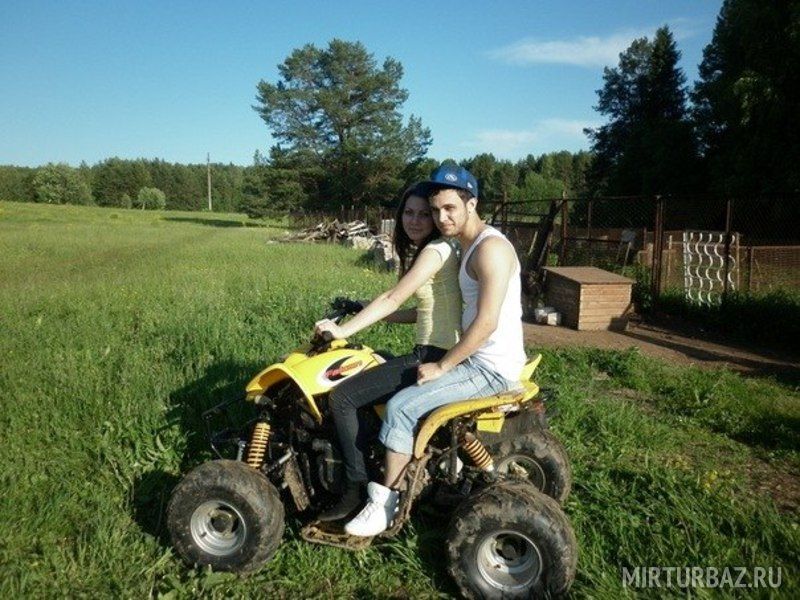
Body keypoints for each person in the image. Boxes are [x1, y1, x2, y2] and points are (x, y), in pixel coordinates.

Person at [344, 164, 526, 537]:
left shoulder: (490, 249)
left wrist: (443, 365)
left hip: (490, 368)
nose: (441, 218)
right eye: (436, 210)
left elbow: (487, 323)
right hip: (476, 359)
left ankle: (385, 504)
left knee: (401, 407)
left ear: (472, 204)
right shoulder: (466, 246)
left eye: (450, 209)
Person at [313, 182, 462, 521]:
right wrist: (362, 308)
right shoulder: (440, 248)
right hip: (437, 349)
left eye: (424, 214)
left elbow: (394, 298)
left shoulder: (433, 251)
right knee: (377, 356)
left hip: (431, 356)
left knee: (342, 397)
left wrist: (342, 331)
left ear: (435, 218)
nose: (415, 220)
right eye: (409, 213)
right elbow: (421, 311)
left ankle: (354, 487)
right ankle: (371, 450)